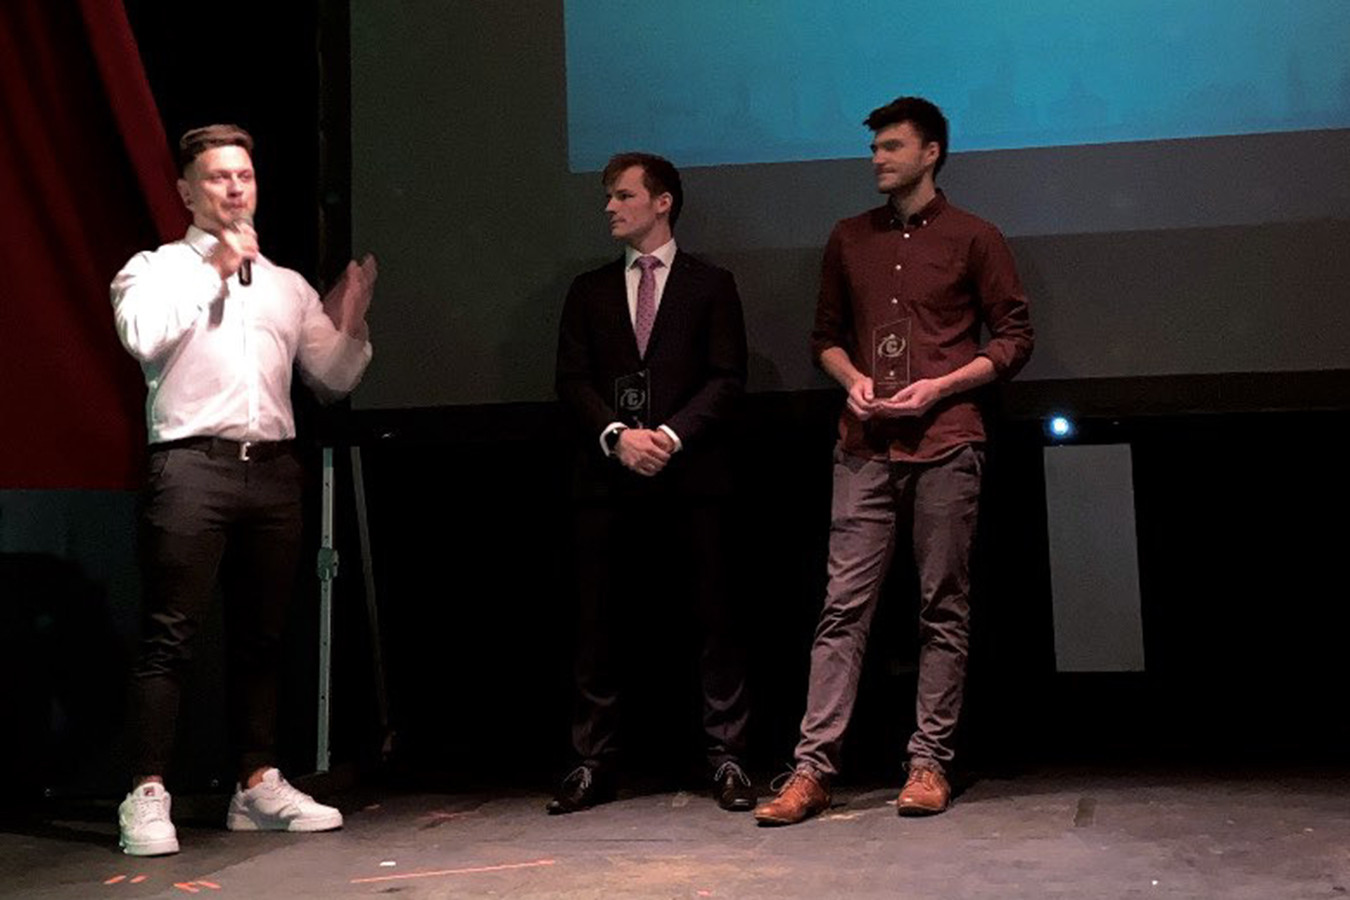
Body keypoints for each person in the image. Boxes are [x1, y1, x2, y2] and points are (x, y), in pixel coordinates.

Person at [753, 97, 1033, 825]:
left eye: (891, 147)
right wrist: (852, 381)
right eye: (875, 147)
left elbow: (1013, 338)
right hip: (863, 446)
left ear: (930, 153)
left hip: (947, 440)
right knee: (842, 608)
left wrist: (941, 386)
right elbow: (825, 337)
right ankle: (812, 769)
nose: (877, 158)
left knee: (943, 606)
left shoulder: (975, 237)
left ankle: (929, 761)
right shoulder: (849, 238)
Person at [111, 124, 376, 855]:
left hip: (274, 470)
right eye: (219, 176)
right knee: (171, 635)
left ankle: (255, 784)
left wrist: (352, 316)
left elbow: (332, 378)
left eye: (245, 176)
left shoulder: (285, 284)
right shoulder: (155, 269)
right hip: (190, 466)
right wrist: (217, 270)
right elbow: (143, 337)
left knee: (264, 637)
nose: (235, 188)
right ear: (186, 191)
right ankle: (146, 792)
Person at [551, 152, 754, 814]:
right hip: (606, 482)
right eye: (608, 197)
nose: (610, 207)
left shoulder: (710, 284)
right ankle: (593, 761)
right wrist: (618, 436)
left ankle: (727, 755)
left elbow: (727, 377)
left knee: (713, 621)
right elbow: (572, 380)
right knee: (597, 627)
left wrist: (668, 436)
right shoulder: (589, 290)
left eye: (623, 195)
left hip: (692, 479)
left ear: (662, 202)